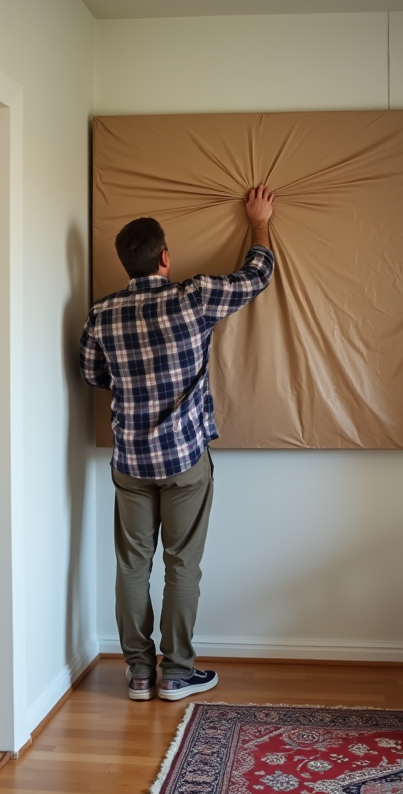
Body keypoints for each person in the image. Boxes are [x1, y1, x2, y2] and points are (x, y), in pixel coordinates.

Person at [80, 185, 276, 701]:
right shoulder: (194, 297)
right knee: (182, 565)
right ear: (165, 257)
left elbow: (92, 374)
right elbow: (258, 275)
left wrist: (133, 379)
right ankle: (177, 674)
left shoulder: (102, 314)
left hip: (130, 461)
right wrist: (259, 222)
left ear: (127, 264)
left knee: (132, 565)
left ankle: (140, 674)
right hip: (186, 458)